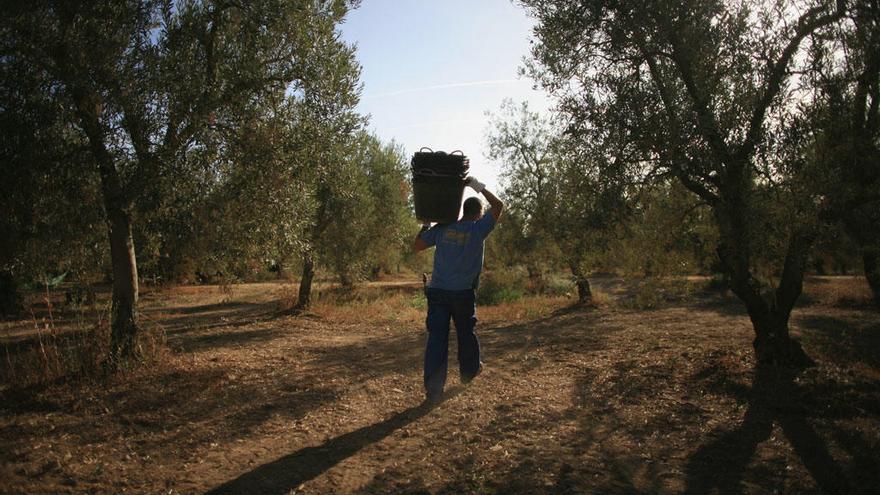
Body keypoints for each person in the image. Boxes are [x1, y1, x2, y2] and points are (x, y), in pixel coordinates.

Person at [413, 176, 504, 404]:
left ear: (463, 210)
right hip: (463, 294)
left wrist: (426, 223)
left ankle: (434, 391)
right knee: (466, 335)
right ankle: (469, 373)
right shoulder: (479, 229)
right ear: (479, 213)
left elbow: (417, 246)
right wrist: (476, 185)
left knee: (437, 339)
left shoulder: (443, 227)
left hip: (438, 293)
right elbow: (499, 205)